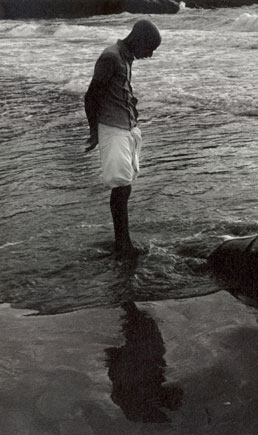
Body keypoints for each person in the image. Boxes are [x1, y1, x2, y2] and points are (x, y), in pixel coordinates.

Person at [84, 19, 161, 258]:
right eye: (149, 49)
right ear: (138, 40)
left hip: (125, 126)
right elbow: (90, 96)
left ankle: (123, 241)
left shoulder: (124, 58)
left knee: (125, 185)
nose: (149, 55)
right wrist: (94, 132)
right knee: (120, 186)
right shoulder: (111, 58)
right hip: (111, 126)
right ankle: (122, 244)